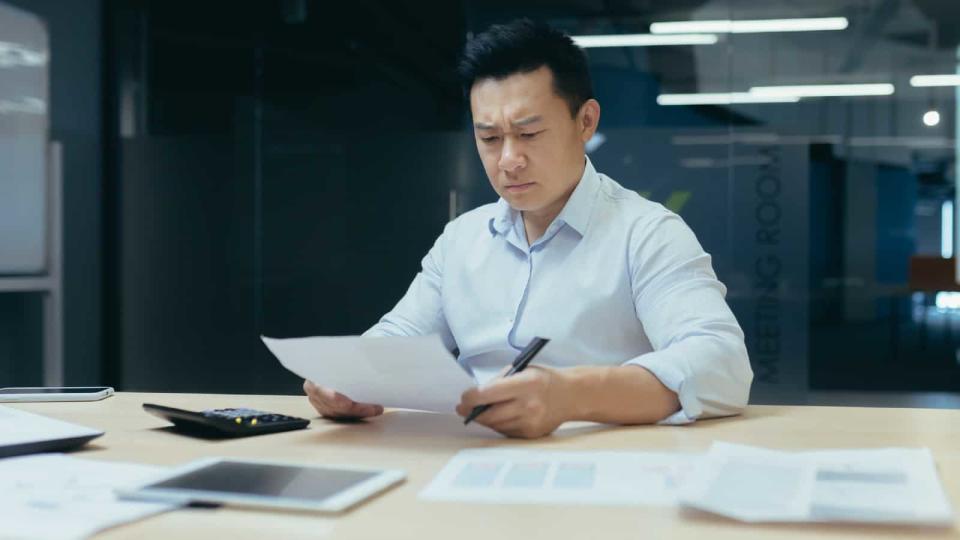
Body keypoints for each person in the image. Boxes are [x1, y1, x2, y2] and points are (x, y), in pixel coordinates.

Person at [303, 18, 752, 439]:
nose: (508, 160)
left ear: (586, 122)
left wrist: (571, 396)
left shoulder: (647, 233)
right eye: (490, 138)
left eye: (530, 134)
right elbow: (399, 336)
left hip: (601, 464)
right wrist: (348, 377)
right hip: (466, 457)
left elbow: (721, 363)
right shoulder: (461, 239)